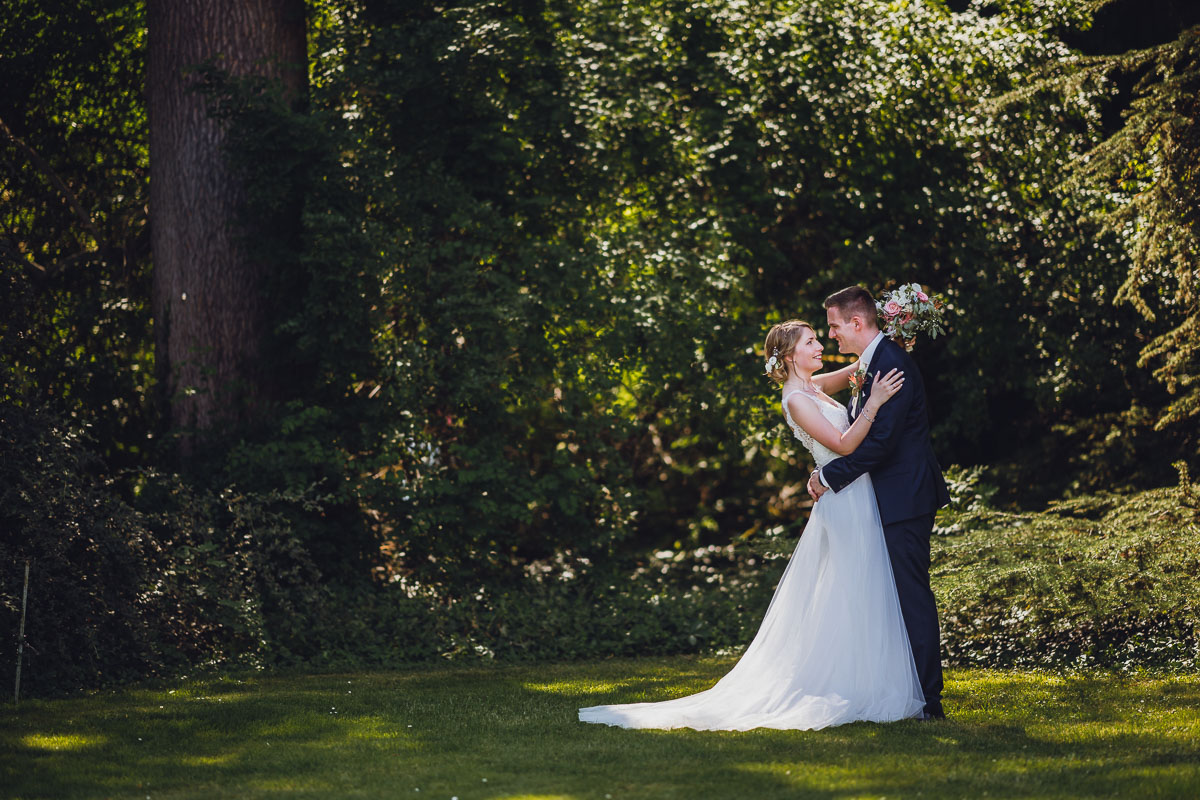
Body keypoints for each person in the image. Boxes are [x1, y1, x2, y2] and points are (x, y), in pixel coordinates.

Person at [578, 318, 926, 730]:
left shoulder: (814, 386)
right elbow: (846, 444)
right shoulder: (796, 398)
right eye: (811, 341)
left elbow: (860, 368)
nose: (820, 345)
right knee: (852, 589)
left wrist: (891, 338)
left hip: (855, 496)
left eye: (820, 337)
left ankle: (871, 677)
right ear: (791, 354)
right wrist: (875, 402)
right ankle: (849, 683)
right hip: (844, 502)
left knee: (864, 587)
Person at [808, 285, 951, 720]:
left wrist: (829, 477)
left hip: (904, 497)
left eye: (834, 326)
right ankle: (903, 691)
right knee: (890, 599)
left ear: (856, 322)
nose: (831, 335)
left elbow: (883, 444)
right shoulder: (870, 365)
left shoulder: (891, 365)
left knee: (911, 598)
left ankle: (930, 701)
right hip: (884, 498)